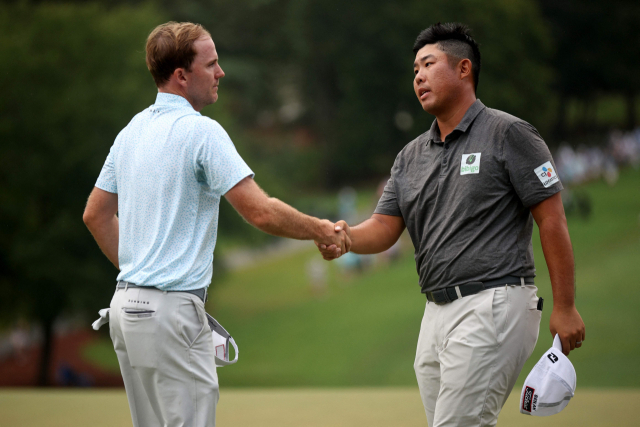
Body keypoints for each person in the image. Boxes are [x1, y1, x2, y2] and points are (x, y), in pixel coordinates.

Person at [317, 22, 585, 427]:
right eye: (414, 71)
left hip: (494, 301)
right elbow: (385, 227)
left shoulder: (509, 133)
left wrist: (565, 306)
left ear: (464, 69)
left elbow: (552, 219)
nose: (418, 77)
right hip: (436, 313)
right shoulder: (410, 156)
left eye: (428, 64)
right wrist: (346, 238)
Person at [83, 21, 349, 427]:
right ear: (181, 76)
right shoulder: (202, 132)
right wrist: (322, 230)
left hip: (125, 309)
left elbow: (95, 215)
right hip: (171, 314)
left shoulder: (130, 131)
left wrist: (140, 273)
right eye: (212, 64)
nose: (220, 72)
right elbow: (259, 211)